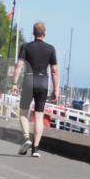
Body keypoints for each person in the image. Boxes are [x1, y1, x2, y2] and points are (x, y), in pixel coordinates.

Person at [11, 21, 59, 157]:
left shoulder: (26, 47)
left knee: (23, 113)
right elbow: (54, 70)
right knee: (39, 116)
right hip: (43, 82)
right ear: (44, 33)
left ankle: (26, 138)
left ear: (33, 33)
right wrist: (56, 90)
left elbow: (19, 66)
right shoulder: (51, 49)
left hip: (29, 80)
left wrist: (14, 83)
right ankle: (36, 149)